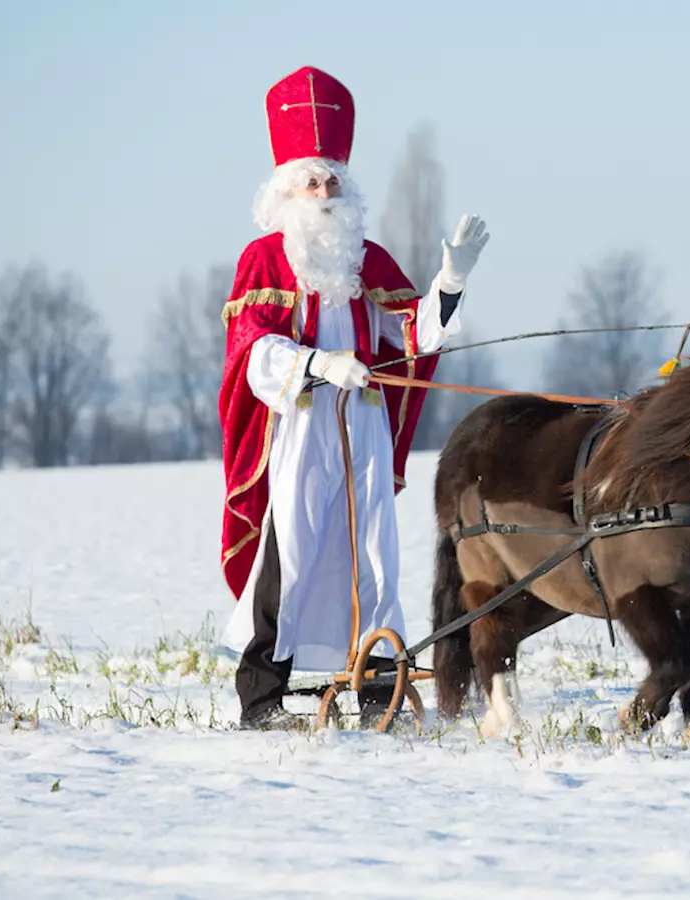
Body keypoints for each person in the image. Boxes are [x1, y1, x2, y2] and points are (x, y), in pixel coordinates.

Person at [217, 65, 490, 730]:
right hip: (301, 432)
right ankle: (261, 700)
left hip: (362, 432)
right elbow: (252, 352)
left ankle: (378, 693)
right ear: (287, 191)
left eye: (334, 178)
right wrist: (318, 365)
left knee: (374, 560)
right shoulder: (264, 260)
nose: (326, 191)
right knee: (291, 557)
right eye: (313, 181)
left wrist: (449, 283)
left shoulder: (365, 260)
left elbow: (413, 335)